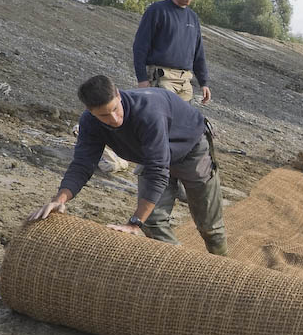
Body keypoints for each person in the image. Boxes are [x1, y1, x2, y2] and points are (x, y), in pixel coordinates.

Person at [29, 74, 227, 254]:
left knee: (210, 227)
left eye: (115, 109)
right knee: (152, 220)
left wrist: (134, 223)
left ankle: (223, 271)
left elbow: (158, 171)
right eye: (104, 116)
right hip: (150, 155)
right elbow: (82, 164)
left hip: (190, 151)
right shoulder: (89, 122)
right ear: (90, 111)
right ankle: (182, 269)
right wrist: (60, 199)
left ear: (118, 95)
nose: (114, 119)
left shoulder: (148, 111)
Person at [133, 0, 211, 105]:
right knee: (163, 120)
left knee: (183, 123)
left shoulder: (192, 17)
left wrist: (204, 83)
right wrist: (142, 79)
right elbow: (140, 46)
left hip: (185, 81)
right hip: (162, 78)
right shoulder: (157, 10)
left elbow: (198, 53)